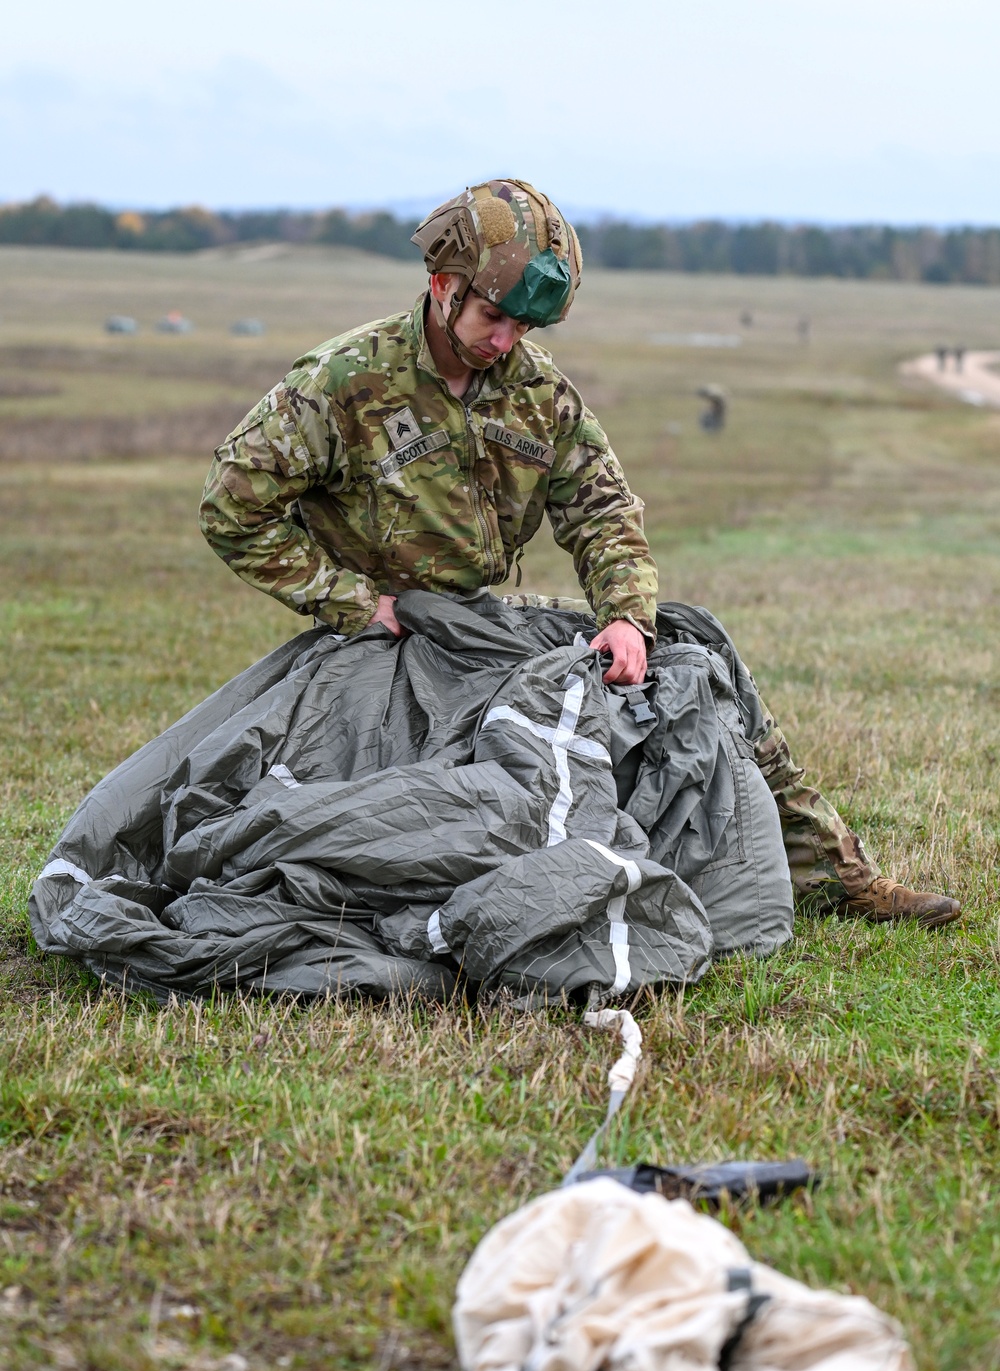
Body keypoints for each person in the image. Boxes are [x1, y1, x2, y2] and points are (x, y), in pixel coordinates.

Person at [199, 178, 960, 928]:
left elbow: (603, 512)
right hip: (384, 644)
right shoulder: (342, 383)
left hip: (481, 628)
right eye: (494, 317)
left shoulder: (537, 393)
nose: (505, 342)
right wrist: (357, 605)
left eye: (524, 328)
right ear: (441, 286)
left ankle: (841, 876)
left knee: (697, 648)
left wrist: (627, 617)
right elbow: (232, 508)